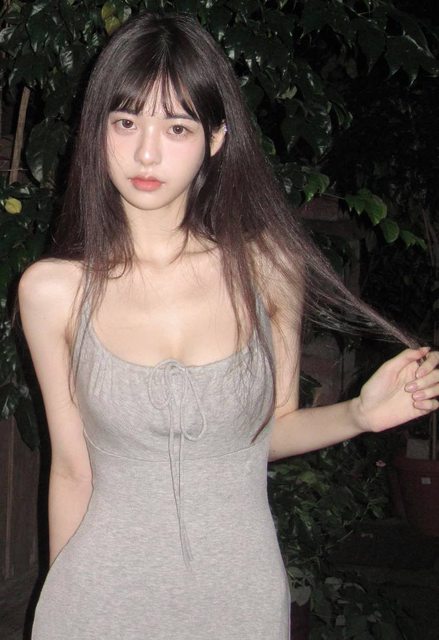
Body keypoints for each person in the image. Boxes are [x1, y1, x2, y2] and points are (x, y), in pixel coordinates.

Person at [18, 12, 438, 640]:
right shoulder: (53, 291)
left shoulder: (267, 269)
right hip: (97, 598)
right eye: (126, 122)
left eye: (177, 126)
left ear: (215, 138)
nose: (146, 152)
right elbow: (72, 470)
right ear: (97, 128)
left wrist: (359, 414)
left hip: (238, 597)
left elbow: (270, 432)